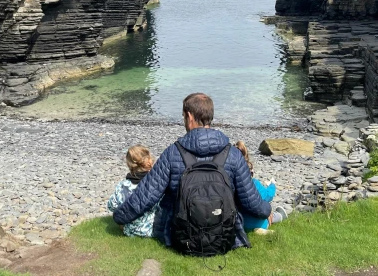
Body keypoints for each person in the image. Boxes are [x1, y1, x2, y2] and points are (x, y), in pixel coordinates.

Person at [112, 93, 272, 251]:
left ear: (189, 116)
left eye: (183, 116)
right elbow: (251, 201)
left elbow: (145, 195)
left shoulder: (172, 154)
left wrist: (120, 217)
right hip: (224, 234)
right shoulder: (233, 154)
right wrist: (267, 211)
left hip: (179, 236)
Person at [233, 140, 288, 234]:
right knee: (272, 213)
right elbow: (267, 196)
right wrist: (272, 185)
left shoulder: (229, 183)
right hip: (257, 220)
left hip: (239, 223)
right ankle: (276, 218)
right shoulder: (254, 183)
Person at [107, 145, 159, 237]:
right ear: (149, 160)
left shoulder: (123, 185)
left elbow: (112, 206)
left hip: (129, 230)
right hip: (152, 229)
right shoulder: (156, 184)